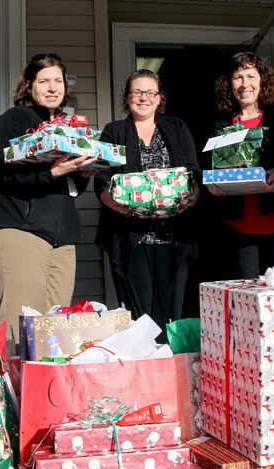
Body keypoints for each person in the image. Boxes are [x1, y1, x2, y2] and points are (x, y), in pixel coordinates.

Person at [0, 53, 97, 343]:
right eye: (44, 81)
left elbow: (66, 187)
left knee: (53, 328)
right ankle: (6, 384)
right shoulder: (14, 120)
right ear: (29, 85)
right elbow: (3, 176)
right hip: (22, 230)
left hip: (62, 237)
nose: (52, 88)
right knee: (19, 321)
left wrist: (81, 175)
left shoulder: (66, 128)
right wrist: (53, 172)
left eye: (58, 81)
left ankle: (40, 386)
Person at [94, 69, 200, 341]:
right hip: (130, 237)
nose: (144, 98)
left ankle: (171, 372)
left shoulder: (176, 127)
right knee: (140, 320)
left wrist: (194, 193)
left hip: (173, 236)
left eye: (150, 92)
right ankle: (146, 374)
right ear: (127, 97)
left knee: (170, 316)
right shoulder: (114, 131)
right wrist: (112, 201)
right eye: (137, 92)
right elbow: (102, 177)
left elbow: (192, 170)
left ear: (159, 97)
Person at [207, 52, 274, 279]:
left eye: (251, 76)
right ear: (229, 84)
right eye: (238, 77)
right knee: (246, 296)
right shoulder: (220, 125)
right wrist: (212, 184)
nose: (244, 84)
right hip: (239, 224)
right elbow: (210, 167)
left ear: (262, 80)